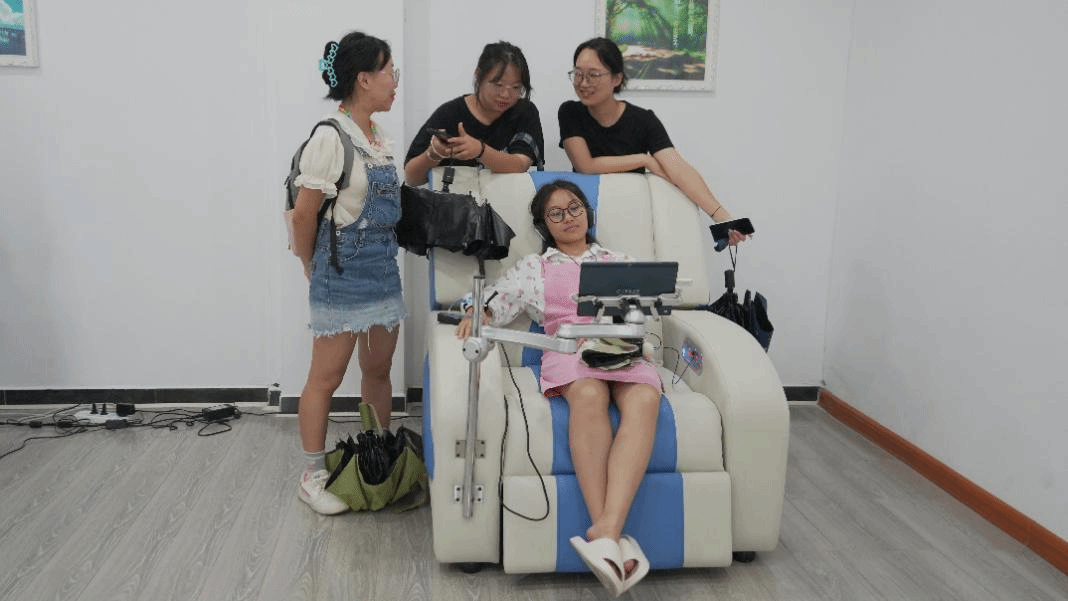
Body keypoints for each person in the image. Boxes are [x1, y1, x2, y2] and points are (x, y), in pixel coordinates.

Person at [456, 180, 656, 595]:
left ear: (587, 212)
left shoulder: (618, 261)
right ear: (544, 225)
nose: (569, 218)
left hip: (619, 347)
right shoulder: (534, 267)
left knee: (644, 397)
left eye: (575, 207)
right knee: (589, 394)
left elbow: (644, 310)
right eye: (556, 213)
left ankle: (606, 531)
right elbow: (494, 299)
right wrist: (478, 311)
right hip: (568, 349)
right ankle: (609, 533)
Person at [288, 31, 406, 515]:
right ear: (364, 79)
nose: (395, 82)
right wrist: (309, 264)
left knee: (378, 371)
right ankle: (312, 474)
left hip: (383, 271)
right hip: (340, 275)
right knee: (326, 377)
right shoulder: (330, 137)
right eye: (390, 72)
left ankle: (378, 456)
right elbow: (303, 215)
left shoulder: (377, 137)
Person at [559, 37, 746, 246]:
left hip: (632, 217)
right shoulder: (570, 112)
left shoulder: (643, 120)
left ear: (617, 78)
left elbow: (678, 168)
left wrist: (721, 216)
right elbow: (585, 165)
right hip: (585, 216)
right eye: (578, 74)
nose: (583, 83)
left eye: (593, 75)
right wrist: (644, 159)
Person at [404, 41, 544, 186]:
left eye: (516, 87)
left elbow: (520, 164)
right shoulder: (450, 114)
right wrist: (434, 154)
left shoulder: (523, 112)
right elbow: (411, 178)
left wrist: (480, 151)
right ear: (478, 75)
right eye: (498, 85)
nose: (505, 94)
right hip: (457, 199)